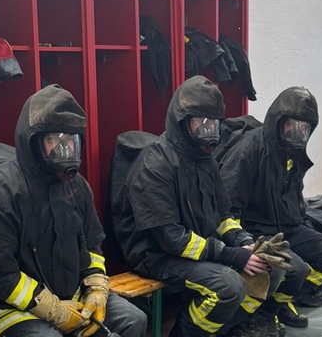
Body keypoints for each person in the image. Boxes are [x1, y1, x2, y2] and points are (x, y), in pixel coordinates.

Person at [0, 84, 147, 337]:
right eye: (54, 140)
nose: (65, 149)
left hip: (72, 294)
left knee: (132, 319)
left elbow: (92, 246)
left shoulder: (77, 186)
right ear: (34, 142)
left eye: (71, 140)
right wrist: (52, 309)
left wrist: (95, 289)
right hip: (11, 306)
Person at [112, 76, 290, 337]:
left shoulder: (206, 162)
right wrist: (231, 255)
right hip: (156, 255)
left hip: (196, 249)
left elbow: (223, 215)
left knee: (269, 271)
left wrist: (245, 242)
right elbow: (170, 238)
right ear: (183, 124)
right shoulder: (154, 164)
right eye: (201, 124)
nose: (210, 131)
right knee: (228, 285)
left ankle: (223, 329)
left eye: (214, 123)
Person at [216, 86, 322, 325]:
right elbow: (225, 207)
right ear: (277, 122)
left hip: (290, 227)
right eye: (292, 125)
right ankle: (266, 313)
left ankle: (283, 299)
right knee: (295, 268)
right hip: (257, 230)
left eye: (304, 128)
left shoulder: (292, 151)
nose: (297, 133)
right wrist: (243, 242)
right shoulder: (249, 152)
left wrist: (300, 218)